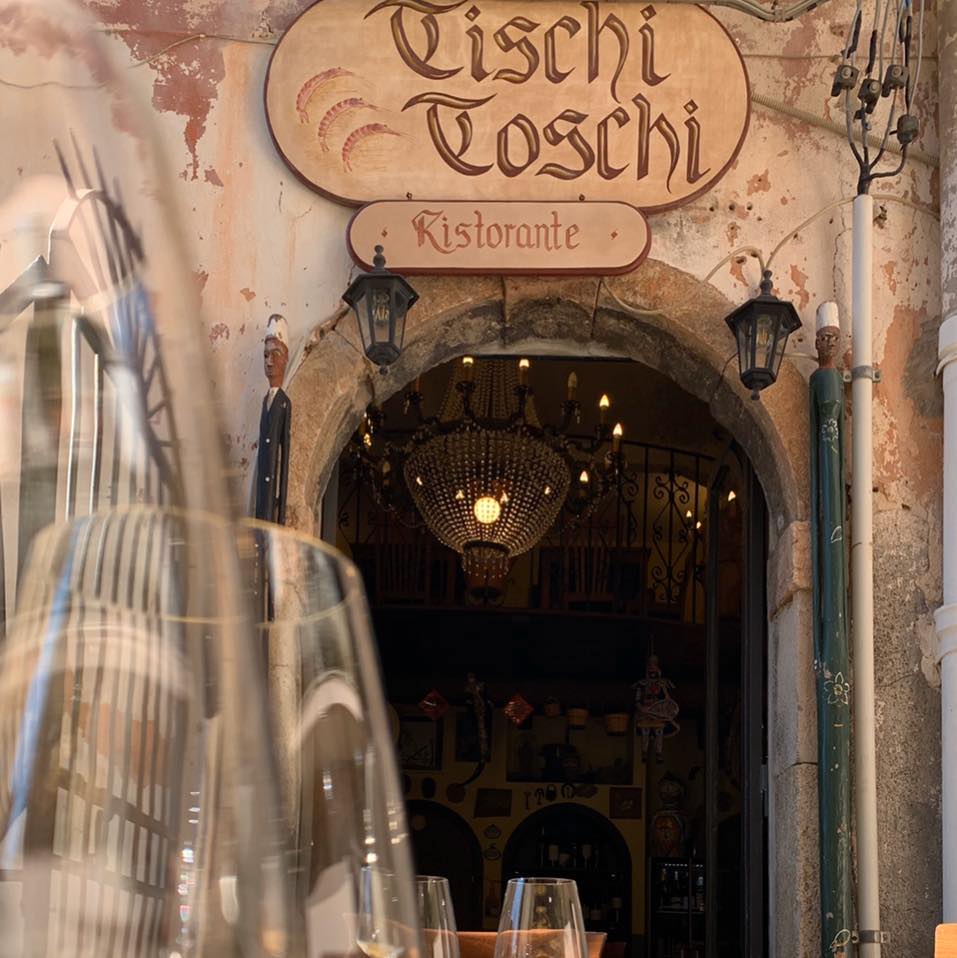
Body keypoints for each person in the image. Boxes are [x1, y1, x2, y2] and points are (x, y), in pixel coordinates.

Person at [255, 314, 291, 524]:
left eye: (275, 354)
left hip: (272, 505)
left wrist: (281, 513)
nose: (269, 362)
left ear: (285, 358)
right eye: (266, 355)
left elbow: (284, 457)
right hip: (262, 502)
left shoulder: (284, 403)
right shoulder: (264, 401)